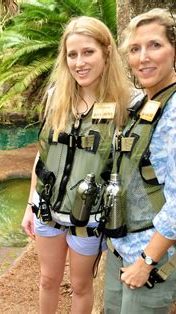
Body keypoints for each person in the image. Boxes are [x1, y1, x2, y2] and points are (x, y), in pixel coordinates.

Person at [21, 16, 131, 313]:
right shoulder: (56, 97)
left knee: (81, 286)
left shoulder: (125, 104)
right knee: (47, 280)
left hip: (89, 217)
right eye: (72, 54)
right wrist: (30, 204)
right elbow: (43, 154)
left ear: (106, 52)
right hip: (47, 211)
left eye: (88, 52)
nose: (79, 62)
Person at [104, 8, 176, 313]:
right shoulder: (146, 101)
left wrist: (146, 262)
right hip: (122, 246)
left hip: (151, 256)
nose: (143, 57)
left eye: (155, 45)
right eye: (135, 49)